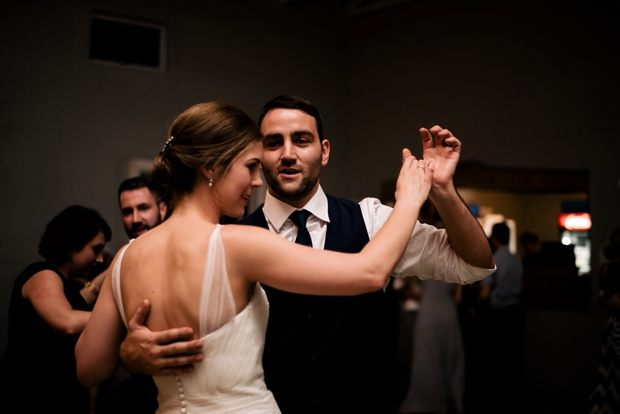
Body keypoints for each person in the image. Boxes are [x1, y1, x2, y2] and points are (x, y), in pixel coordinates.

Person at [117, 95, 496, 413]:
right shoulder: (225, 241)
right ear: (256, 156)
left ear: (324, 151)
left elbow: (474, 265)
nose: (287, 154)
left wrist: (442, 190)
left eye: (301, 140)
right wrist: (129, 352)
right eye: (272, 143)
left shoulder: (373, 221)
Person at [0, 205, 111, 414]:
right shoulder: (42, 273)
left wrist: (109, 273)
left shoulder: (64, 283)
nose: (99, 259)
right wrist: (120, 316)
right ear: (72, 247)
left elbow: (78, 301)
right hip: (27, 398)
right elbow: (67, 322)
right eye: (95, 249)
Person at [398, 278, 465, 414]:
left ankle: (427, 398)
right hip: (448, 312)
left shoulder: (425, 259)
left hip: (429, 312)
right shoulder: (458, 263)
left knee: (427, 356)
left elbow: (402, 281)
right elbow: (458, 298)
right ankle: (453, 400)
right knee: (451, 357)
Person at [479, 222, 526, 414]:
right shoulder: (516, 259)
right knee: (516, 363)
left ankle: (500, 405)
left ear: (494, 238)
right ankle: (519, 405)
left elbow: (485, 292)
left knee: (494, 364)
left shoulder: (494, 259)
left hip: (498, 316)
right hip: (516, 313)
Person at [118, 174, 168, 239]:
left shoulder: (180, 247)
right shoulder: (125, 249)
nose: (135, 220)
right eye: (128, 212)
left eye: (144, 209)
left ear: (162, 210)